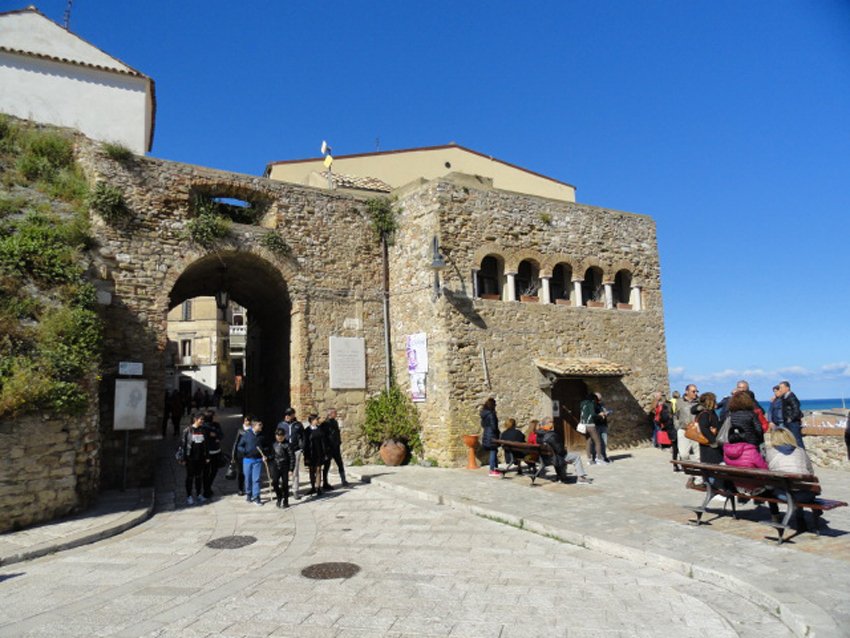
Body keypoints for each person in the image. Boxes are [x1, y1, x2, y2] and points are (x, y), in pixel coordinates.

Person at [765, 427, 818, 530]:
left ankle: (775, 516)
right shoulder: (801, 451)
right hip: (804, 495)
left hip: (782, 495)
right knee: (798, 485)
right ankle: (800, 518)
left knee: (773, 487)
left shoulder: (770, 452)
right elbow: (811, 472)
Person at [536, 418, 593, 484]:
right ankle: (581, 478)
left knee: (561, 455)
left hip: (546, 458)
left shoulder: (539, 435)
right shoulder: (551, 435)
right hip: (555, 458)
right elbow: (560, 451)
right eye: (551, 422)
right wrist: (564, 450)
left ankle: (561, 476)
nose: (552, 424)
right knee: (576, 456)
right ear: (546, 424)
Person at [723, 391, 767, 469]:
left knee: (738, 463)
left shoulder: (731, 415)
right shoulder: (751, 414)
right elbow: (759, 429)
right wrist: (758, 440)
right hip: (751, 443)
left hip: (736, 443)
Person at [179, 413, 209, 505]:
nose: (202, 421)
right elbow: (183, 445)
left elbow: (206, 444)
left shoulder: (203, 430)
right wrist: (183, 458)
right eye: (201, 419)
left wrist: (207, 456)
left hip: (201, 457)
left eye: (203, 419)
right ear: (195, 419)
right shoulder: (187, 430)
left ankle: (199, 494)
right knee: (190, 477)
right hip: (190, 458)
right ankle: (189, 496)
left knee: (199, 477)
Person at [277, 408, 305, 499]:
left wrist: (302, 448)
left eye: (289, 414)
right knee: (283, 470)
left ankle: (295, 490)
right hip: (284, 451)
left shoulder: (298, 425)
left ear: (293, 415)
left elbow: (303, 437)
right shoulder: (281, 424)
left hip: (295, 450)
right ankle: (284, 490)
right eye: (286, 414)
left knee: (295, 471)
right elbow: (278, 436)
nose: (287, 416)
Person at [237, 419, 265, 505]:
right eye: (259, 425)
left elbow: (267, 446)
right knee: (248, 479)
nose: (261, 426)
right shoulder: (246, 434)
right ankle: (249, 494)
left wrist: (265, 454)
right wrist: (245, 451)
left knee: (256, 479)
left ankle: (257, 497)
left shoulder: (262, 436)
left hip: (258, 460)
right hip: (247, 460)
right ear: (254, 426)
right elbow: (239, 446)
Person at [322, 408, 349, 489]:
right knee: (327, 465)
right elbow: (324, 437)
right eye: (335, 413)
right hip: (329, 448)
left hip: (336, 447)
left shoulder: (335, 422)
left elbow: (337, 433)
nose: (336, 414)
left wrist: (338, 442)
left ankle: (343, 480)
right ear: (330, 414)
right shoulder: (325, 424)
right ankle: (325, 483)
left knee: (340, 463)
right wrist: (325, 448)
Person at [303, 413, 329, 496]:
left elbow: (323, 442)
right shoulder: (307, 431)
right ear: (311, 421)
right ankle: (313, 487)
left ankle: (318, 487)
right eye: (316, 419)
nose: (317, 421)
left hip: (319, 453)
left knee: (318, 470)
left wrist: (325, 453)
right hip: (310, 453)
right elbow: (305, 444)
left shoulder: (320, 429)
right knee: (311, 470)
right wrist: (306, 455)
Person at [694, 392, 723, 466]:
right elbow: (704, 428)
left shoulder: (709, 412)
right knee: (711, 466)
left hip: (708, 444)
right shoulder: (705, 413)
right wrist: (713, 441)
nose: (716, 402)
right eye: (714, 400)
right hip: (709, 445)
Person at [674, 384, 700, 462]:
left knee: (699, 455)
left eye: (696, 391)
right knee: (683, 454)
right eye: (693, 391)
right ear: (687, 392)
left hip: (695, 430)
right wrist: (677, 427)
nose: (695, 393)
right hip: (683, 430)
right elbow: (675, 416)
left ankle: (700, 471)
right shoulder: (679, 402)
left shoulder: (699, 402)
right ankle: (689, 467)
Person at [579, 393, 606, 465]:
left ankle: (589, 459)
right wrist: (600, 415)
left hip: (584, 425)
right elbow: (593, 414)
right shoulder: (590, 403)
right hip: (590, 425)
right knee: (598, 441)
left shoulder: (583, 404)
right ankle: (599, 459)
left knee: (588, 441)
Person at [202, 410, 223, 499]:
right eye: (215, 415)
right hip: (207, 453)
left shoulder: (216, 425)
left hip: (216, 451)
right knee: (206, 472)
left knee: (214, 470)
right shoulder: (203, 427)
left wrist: (216, 435)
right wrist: (214, 435)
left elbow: (221, 435)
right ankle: (206, 489)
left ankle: (208, 486)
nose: (217, 417)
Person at [270, 426, 292, 508]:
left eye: (281, 436)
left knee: (285, 484)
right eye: (278, 436)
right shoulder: (274, 444)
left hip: (285, 467)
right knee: (274, 482)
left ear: (284, 436)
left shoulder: (287, 445)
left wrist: (291, 469)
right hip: (276, 466)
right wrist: (267, 457)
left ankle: (285, 500)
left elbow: (292, 457)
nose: (279, 438)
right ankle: (279, 496)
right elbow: (272, 455)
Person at [778, 380, 804, 448]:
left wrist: (791, 419)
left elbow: (796, 409)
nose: (780, 390)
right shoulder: (785, 396)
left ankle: (802, 456)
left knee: (797, 440)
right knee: (791, 441)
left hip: (793, 423)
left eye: (781, 388)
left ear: (787, 388)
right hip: (788, 422)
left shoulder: (791, 397)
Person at [232, 415, 252, 496]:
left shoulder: (253, 430)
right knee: (241, 472)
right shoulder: (240, 430)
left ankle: (249, 488)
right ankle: (240, 489)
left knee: (249, 472)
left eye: (249, 421)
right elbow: (236, 443)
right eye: (246, 420)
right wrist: (233, 455)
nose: (248, 422)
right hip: (240, 455)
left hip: (249, 454)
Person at [480, 398, 500, 477]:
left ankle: (495, 468)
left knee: (493, 451)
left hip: (486, 433)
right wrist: (497, 432)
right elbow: (494, 426)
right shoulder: (491, 414)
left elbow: (482, 425)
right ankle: (492, 470)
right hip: (492, 435)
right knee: (493, 451)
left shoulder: (484, 414)